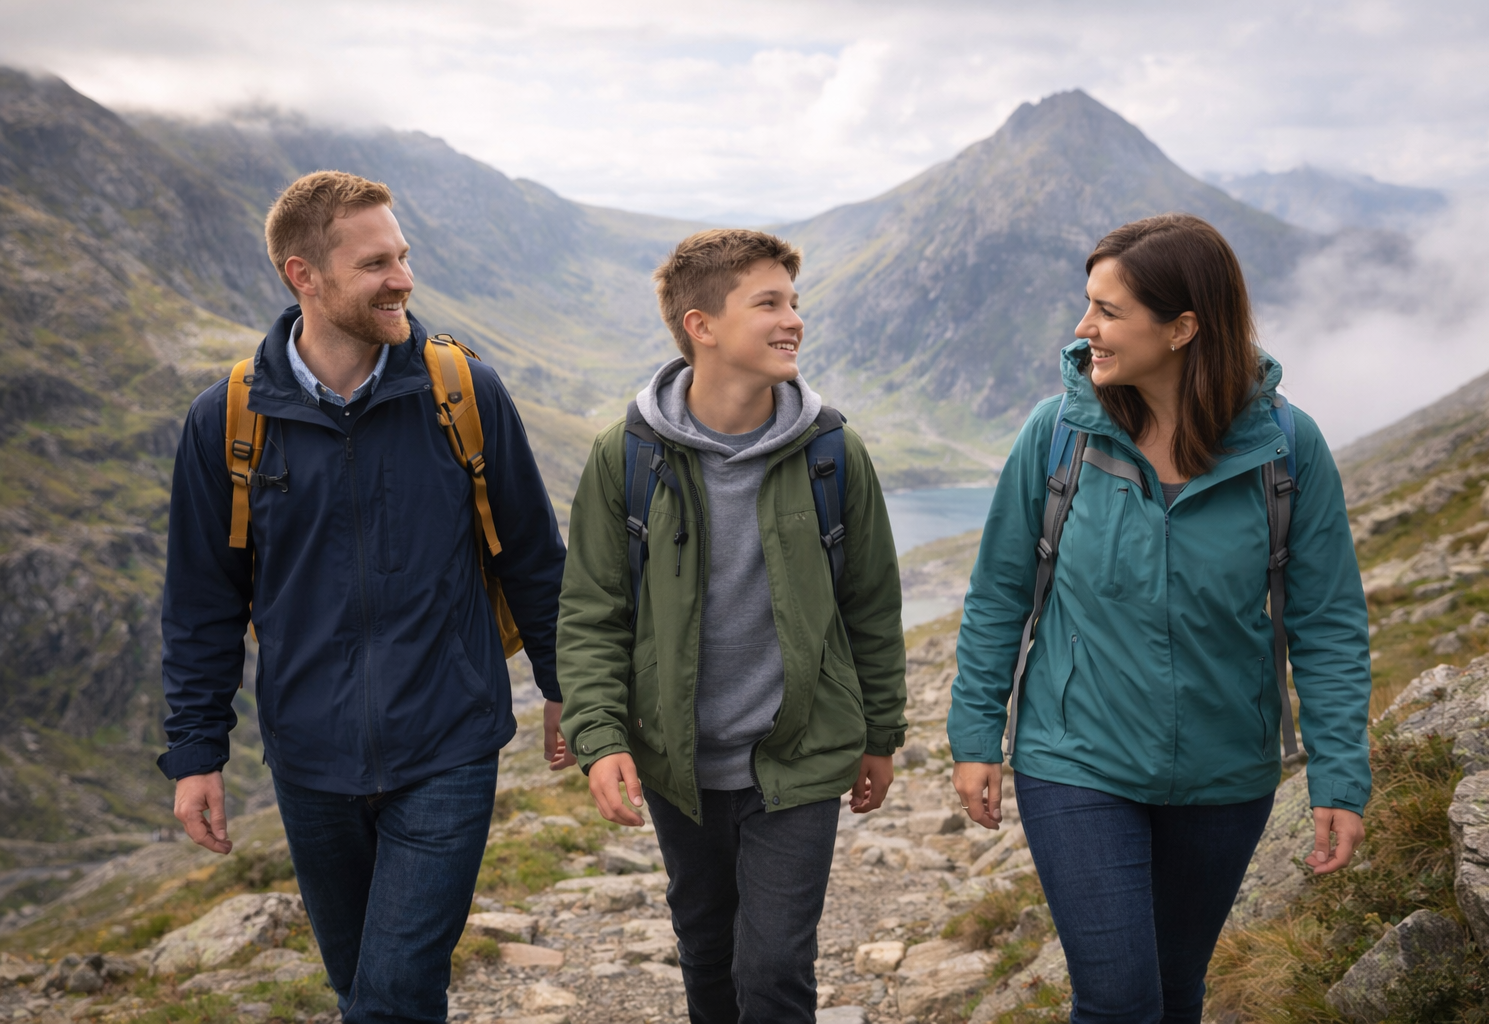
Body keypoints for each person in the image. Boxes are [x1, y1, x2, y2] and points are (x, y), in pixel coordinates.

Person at [157, 171, 570, 1024]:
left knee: (391, 999)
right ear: (302, 275)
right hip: (309, 759)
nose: (403, 279)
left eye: (405, 256)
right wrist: (197, 752)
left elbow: (532, 554)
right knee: (365, 989)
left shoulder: (462, 393)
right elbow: (202, 602)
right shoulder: (226, 420)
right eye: (377, 263)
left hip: (450, 742)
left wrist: (572, 689)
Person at [948, 214, 1372, 1023]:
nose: (1084, 328)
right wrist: (976, 738)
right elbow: (1001, 590)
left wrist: (1339, 775)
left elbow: (1327, 622)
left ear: (1182, 328)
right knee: (1117, 999)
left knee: (1176, 993)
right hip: (1076, 758)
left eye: (1108, 311)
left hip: (1225, 771)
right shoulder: (1059, 434)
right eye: (1088, 304)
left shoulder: (1286, 447)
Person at [557, 228, 907, 1022]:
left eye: (795, 302)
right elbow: (591, 615)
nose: (794, 321)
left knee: (775, 967)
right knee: (707, 950)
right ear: (701, 325)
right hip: (680, 762)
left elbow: (873, 607)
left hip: (802, 757)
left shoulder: (834, 455)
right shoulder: (627, 458)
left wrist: (880, 733)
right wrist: (601, 737)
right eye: (770, 304)